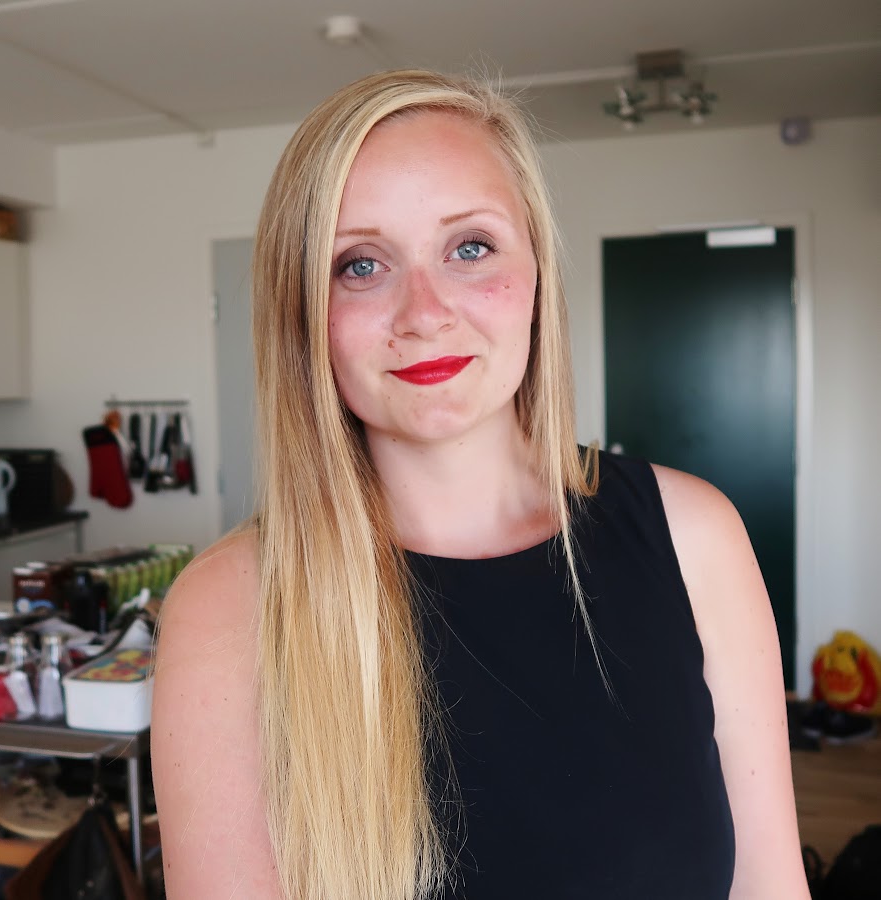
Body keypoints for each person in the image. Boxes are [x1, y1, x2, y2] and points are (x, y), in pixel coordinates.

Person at [151, 70, 810, 900]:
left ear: (536, 273)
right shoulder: (229, 607)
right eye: (360, 264)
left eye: (470, 247)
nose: (424, 312)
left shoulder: (695, 537)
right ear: (303, 310)